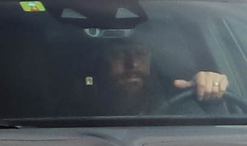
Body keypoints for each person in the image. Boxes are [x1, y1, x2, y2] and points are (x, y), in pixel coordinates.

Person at [83, 39, 229, 115]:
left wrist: (212, 95)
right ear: (101, 66)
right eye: (118, 55)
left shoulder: (179, 107)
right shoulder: (75, 112)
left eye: (141, 54)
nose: (132, 64)